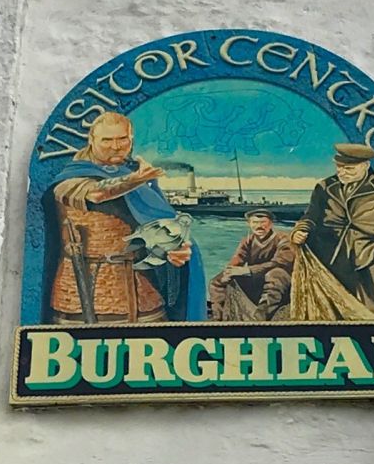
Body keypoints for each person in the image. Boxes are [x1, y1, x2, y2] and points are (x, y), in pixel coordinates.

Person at [45, 112, 203, 323]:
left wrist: (172, 251)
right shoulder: (71, 178)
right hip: (85, 295)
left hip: (144, 293)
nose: (116, 146)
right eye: (107, 140)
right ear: (91, 140)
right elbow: (97, 193)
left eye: (122, 139)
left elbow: (156, 226)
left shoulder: (139, 180)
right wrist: (134, 180)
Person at [290, 142, 374, 318]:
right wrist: (301, 230)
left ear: (365, 165)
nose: (342, 172)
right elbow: (310, 217)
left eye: (349, 168)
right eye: (339, 167)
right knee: (329, 317)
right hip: (328, 263)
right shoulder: (324, 187)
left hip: (372, 264)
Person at [208, 210, 295, 320]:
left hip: (281, 278)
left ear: (271, 224)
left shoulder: (283, 239)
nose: (259, 226)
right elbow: (237, 259)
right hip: (257, 276)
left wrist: (248, 270)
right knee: (216, 281)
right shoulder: (248, 240)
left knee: (274, 274)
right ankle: (218, 318)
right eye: (255, 223)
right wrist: (228, 272)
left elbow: (280, 262)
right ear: (249, 224)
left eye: (263, 222)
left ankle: (260, 319)